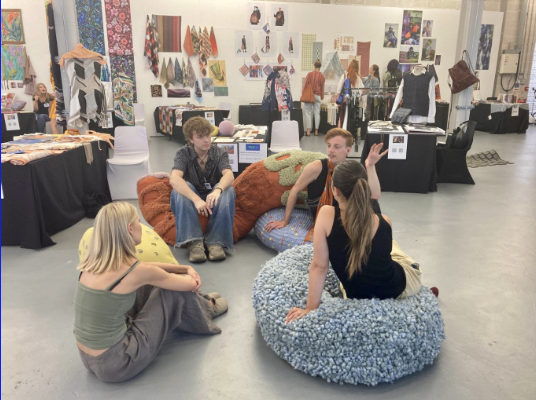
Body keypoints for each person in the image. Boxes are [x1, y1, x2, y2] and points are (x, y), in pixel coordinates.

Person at [74, 202, 228, 383]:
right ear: (130, 229)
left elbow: (144, 267)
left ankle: (201, 302)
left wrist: (183, 268)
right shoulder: (135, 272)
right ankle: (207, 307)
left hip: (89, 359)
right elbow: (188, 284)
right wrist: (188, 275)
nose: (141, 226)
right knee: (171, 289)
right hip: (120, 363)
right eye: (138, 222)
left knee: (150, 283)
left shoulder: (91, 264)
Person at [286, 160, 437, 323]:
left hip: (355, 294)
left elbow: (319, 267)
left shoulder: (325, 215)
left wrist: (310, 308)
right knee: (397, 251)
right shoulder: (384, 221)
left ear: (335, 190)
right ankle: (420, 282)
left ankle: (423, 290)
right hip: (395, 288)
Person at [265, 128, 383, 233]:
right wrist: (285, 221)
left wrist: (371, 166)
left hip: (347, 216)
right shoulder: (316, 167)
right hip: (326, 218)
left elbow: (374, 196)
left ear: (348, 150)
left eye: (336, 147)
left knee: (372, 204)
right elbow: (295, 190)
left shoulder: (351, 169)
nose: (331, 150)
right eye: (329, 145)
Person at [170, 117, 236, 263]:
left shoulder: (219, 153)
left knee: (228, 190)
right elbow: (174, 178)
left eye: (207, 135)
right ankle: (194, 242)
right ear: (191, 139)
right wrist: (196, 199)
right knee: (179, 191)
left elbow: (229, 175)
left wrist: (218, 190)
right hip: (193, 194)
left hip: (213, 193)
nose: (206, 140)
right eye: (200, 137)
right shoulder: (183, 153)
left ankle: (216, 241)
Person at [336, 59, 364, 130]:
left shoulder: (345, 75)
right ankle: (350, 131)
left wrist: (338, 98)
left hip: (345, 100)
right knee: (352, 117)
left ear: (349, 66)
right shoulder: (358, 78)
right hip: (354, 101)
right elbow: (361, 90)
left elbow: (339, 88)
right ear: (357, 68)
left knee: (342, 116)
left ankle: (342, 130)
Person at [302, 59, 325, 137]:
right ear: (320, 67)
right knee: (317, 113)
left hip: (309, 96)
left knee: (308, 113)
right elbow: (322, 88)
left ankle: (308, 131)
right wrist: (322, 96)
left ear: (314, 66)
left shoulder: (309, 74)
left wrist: (303, 94)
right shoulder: (322, 76)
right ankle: (316, 131)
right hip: (317, 96)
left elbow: (305, 85)